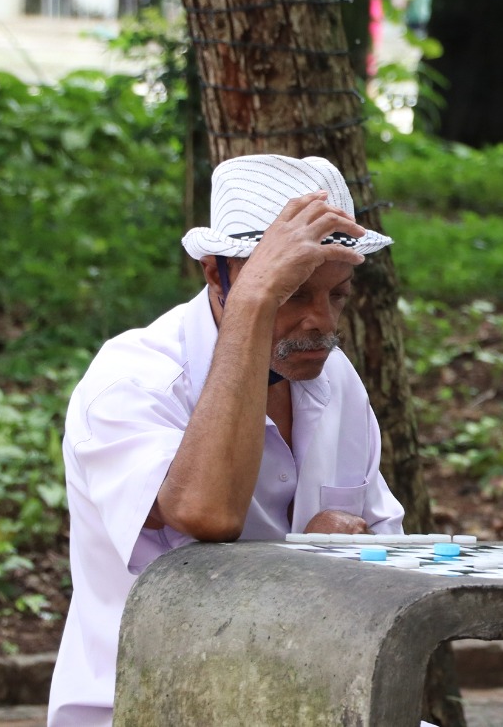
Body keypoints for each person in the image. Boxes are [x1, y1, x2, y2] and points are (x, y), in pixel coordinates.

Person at [48, 155, 405, 727]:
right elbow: (206, 512)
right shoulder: (133, 380)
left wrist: (341, 551)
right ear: (218, 276)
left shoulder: (333, 380)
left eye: (336, 295)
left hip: (300, 697)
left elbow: (389, 556)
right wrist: (255, 303)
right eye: (293, 293)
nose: (320, 321)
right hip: (151, 704)